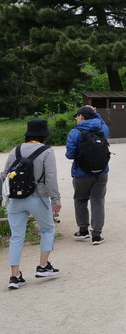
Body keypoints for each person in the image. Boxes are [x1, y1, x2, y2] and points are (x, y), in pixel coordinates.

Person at [2, 119, 62, 290]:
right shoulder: (47, 151)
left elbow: (5, 174)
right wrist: (56, 199)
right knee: (48, 229)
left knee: (16, 237)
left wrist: (4, 196)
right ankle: (43, 266)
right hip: (38, 197)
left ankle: (15, 276)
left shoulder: (16, 150)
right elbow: (50, 178)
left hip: (15, 199)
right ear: (44, 135)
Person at [66, 105, 111, 245]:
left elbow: (70, 155)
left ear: (81, 117)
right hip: (102, 171)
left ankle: (83, 230)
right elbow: (103, 123)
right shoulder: (102, 129)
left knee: (80, 200)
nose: (76, 118)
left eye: (77, 116)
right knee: (98, 200)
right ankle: (96, 235)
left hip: (81, 173)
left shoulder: (75, 132)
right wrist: (96, 113)